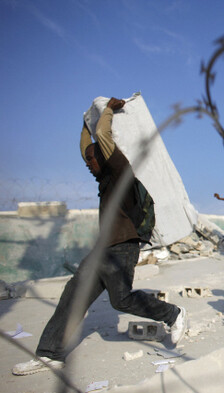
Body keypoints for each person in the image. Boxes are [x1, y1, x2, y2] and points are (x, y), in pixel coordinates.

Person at [13, 98, 187, 376]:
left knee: (121, 300)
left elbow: (103, 137)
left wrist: (106, 112)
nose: (87, 163)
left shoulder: (120, 172)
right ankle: (50, 354)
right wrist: (85, 124)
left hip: (123, 247)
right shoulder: (103, 179)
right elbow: (88, 148)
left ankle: (174, 314)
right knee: (72, 296)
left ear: (105, 157)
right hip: (102, 250)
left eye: (93, 159)